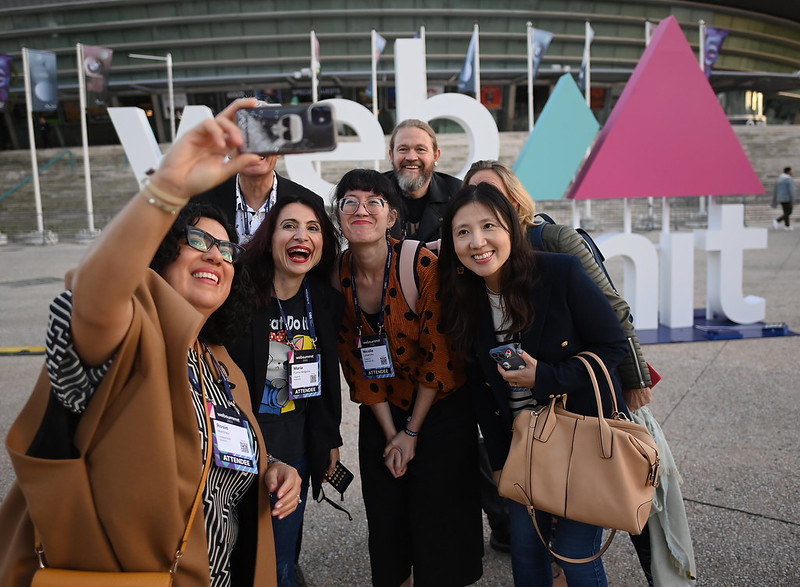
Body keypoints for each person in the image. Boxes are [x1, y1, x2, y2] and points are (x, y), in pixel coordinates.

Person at [0, 98, 302, 586]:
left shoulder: (223, 369)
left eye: (227, 249)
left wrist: (273, 468)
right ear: (162, 254)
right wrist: (167, 188)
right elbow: (92, 300)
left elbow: (217, 456)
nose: (217, 257)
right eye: (199, 241)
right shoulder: (128, 334)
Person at [438, 182, 629, 587]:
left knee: (577, 556)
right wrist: (499, 458)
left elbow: (613, 345)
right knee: (526, 555)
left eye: (488, 226)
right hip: (522, 448)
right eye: (463, 232)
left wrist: (546, 377)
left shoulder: (559, 273)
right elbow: (478, 386)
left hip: (582, 439)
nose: (477, 242)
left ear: (510, 227)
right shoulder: (463, 297)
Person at [333, 169, 483, 587]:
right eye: (350, 202)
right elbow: (355, 364)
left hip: (439, 408)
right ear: (339, 215)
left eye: (373, 202)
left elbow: (441, 357)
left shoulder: (420, 264)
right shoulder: (337, 274)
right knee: (386, 516)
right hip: (383, 408)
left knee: (439, 517)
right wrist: (391, 433)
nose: (361, 209)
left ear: (391, 216)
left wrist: (412, 432)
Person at [463, 160, 653, 411]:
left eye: (491, 191)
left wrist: (636, 381)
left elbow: (612, 308)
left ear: (514, 201)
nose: (480, 198)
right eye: (471, 192)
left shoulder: (555, 240)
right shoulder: (474, 260)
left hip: (577, 408)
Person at [228, 190, 344, 587]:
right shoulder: (240, 294)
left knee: (282, 548)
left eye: (313, 228)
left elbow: (328, 380)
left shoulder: (325, 300)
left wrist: (328, 438)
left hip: (296, 438)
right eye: (289, 226)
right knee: (240, 547)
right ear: (269, 236)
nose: (301, 236)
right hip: (245, 438)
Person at [196, 101, 322, 244]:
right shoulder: (201, 200)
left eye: (265, 137)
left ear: (280, 149)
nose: (256, 148)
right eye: (246, 137)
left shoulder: (309, 202)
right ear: (228, 148)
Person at [385, 119, 461, 242]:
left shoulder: (457, 195)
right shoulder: (374, 192)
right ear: (392, 155)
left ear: (436, 155)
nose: (411, 157)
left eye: (420, 149)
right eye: (403, 149)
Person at [772, 166, 797, 230]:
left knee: (786, 212)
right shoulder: (788, 179)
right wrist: (793, 199)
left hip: (781, 198)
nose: (792, 172)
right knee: (789, 212)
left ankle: (787, 226)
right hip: (787, 198)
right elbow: (791, 190)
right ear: (788, 171)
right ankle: (777, 221)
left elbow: (776, 189)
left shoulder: (779, 179)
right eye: (791, 171)